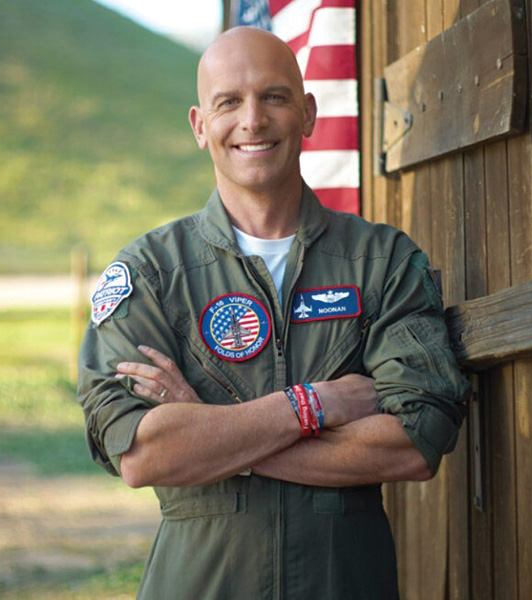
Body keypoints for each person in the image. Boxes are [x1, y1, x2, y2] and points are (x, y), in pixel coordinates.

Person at [77, 26, 469, 600]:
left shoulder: (382, 262)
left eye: (274, 97)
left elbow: (414, 442)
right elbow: (141, 451)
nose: (252, 120)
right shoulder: (150, 274)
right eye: (228, 102)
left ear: (307, 113)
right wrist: (314, 405)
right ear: (199, 125)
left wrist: (207, 427)